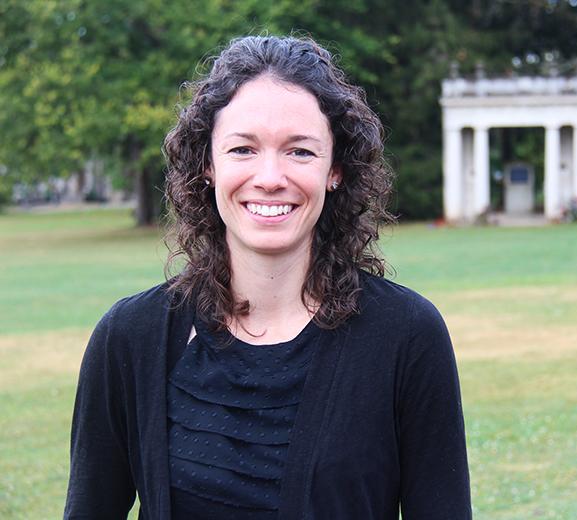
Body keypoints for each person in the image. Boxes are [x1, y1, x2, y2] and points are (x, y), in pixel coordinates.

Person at [65, 35, 470, 519]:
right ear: (208, 165)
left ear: (335, 170)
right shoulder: (130, 337)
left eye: (300, 151)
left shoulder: (406, 334)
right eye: (243, 149)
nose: (271, 176)